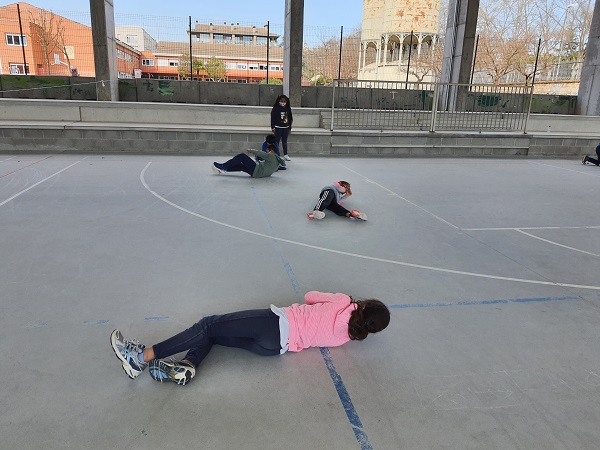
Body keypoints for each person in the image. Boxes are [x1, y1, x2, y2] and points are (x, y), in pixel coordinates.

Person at [110, 292, 390, 385]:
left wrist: (348, 299)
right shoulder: (345, 338)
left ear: (364, 305)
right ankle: (189, 365)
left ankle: (140, 358)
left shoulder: (343, 302)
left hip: (273, 324)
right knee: (214, 335)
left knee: (208, 324)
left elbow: (310, 296)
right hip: (273, 348)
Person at [212, 145, 285, 177]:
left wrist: (251, 150)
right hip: (258, 174)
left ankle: (223, 166)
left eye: (267, 151)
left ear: (271, 151)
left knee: (242, 156)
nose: (267, 153)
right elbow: (267, 167)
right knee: (241, 166)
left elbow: (261, 153)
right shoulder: (277, 162)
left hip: (257, 171)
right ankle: (224, 170)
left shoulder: (272, 156)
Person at [271, 94, 293, 161]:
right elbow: (273, 118)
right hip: (278, 128)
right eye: (281, 101)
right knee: (276, 142)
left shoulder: (287, 109)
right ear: (279, 101)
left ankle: (285, 155)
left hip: (285, 128)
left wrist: (289, 128)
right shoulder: (276, 108)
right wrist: (273, 127)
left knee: (284, 142)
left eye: (284, 101)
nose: (283, 103)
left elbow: (290, 118)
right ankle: (276, 155)